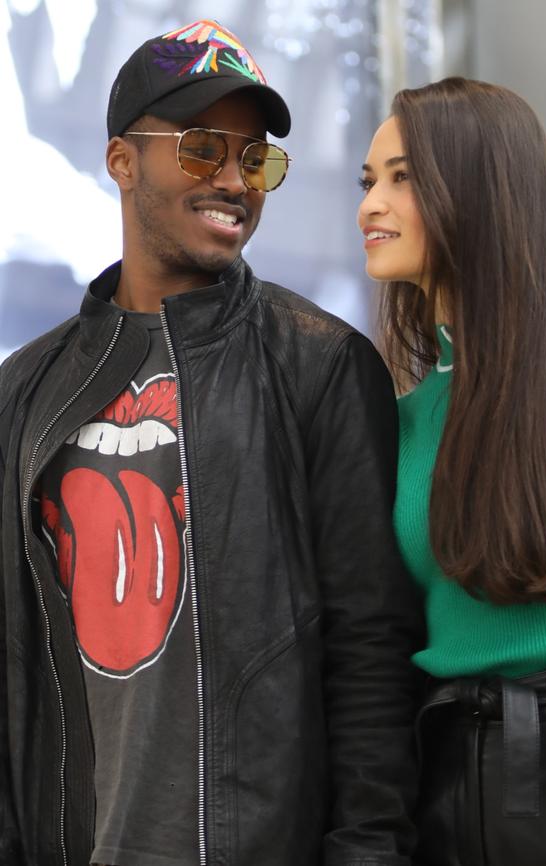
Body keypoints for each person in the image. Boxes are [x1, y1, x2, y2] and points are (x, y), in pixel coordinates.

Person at [0, 18, 423, 866]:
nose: (235, 179)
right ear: (123, 161)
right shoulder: (25, 391)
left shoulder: (322, 366)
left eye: (256, 158)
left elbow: (372, 654)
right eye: (202, 149)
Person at [357, 76, 546, 866]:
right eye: (367, 181)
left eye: (400, 177)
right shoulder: (404, 420)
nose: (369, 207)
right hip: (449, 771)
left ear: (476, 182)